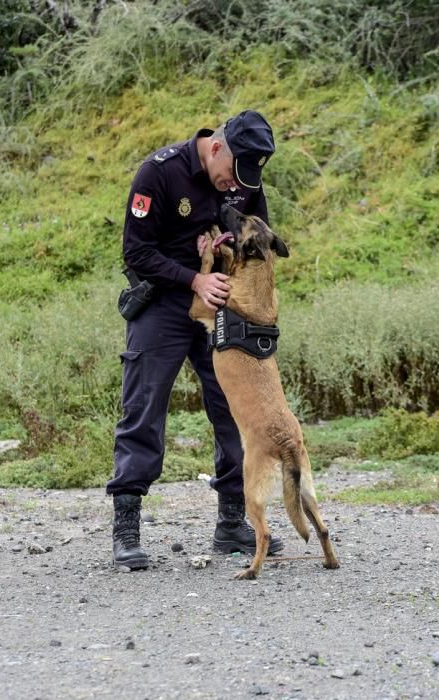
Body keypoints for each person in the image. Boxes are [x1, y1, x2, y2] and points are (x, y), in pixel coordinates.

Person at [106, 110, 284, 569]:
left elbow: (257, 244)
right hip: (164, 305)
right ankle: (127, 528)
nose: (235, 186)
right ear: (217, 147)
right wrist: (193, 279)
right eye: (231, 173)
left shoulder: (243, 177)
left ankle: (231, 523)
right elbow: (136, 251)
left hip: (222, 306)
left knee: (233, 407)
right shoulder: (159, 172)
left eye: (246, 179)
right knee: (144, 406)